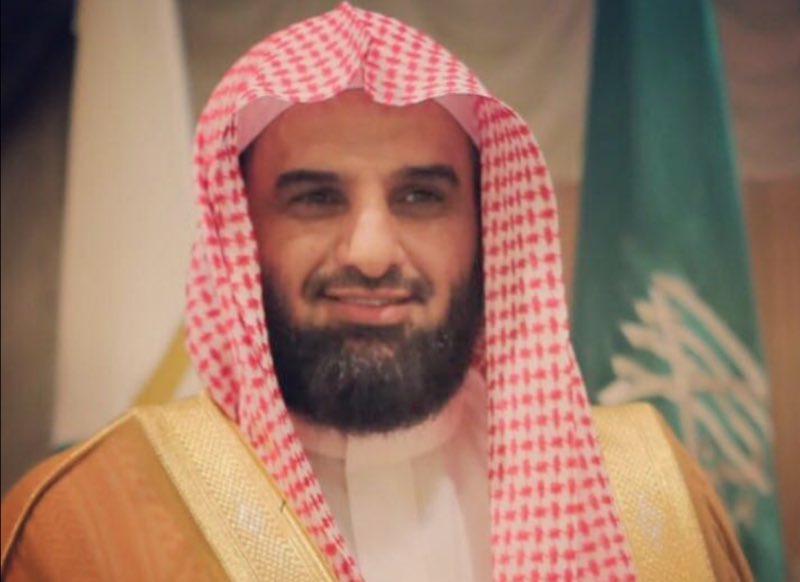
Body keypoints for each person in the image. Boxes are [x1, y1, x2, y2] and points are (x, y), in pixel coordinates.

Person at [0, 4, 752, 581]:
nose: (369, 254)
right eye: (315, 198)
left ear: (485, 228)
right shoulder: (86, 521)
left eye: (421, 197)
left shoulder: (650, 496)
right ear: (241, 237)